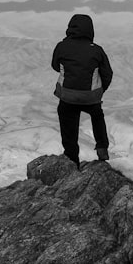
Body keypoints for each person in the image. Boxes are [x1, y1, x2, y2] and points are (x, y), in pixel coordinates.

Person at [51, 13, 113, 167]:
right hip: (91, 96)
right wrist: (99, 90)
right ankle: (102, 148)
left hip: (68, 96)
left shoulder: (61, 47)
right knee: (97, 115)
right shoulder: (97, 50)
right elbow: (107, 73)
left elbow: (54, 66)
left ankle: (72, 160)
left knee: (67, 121)